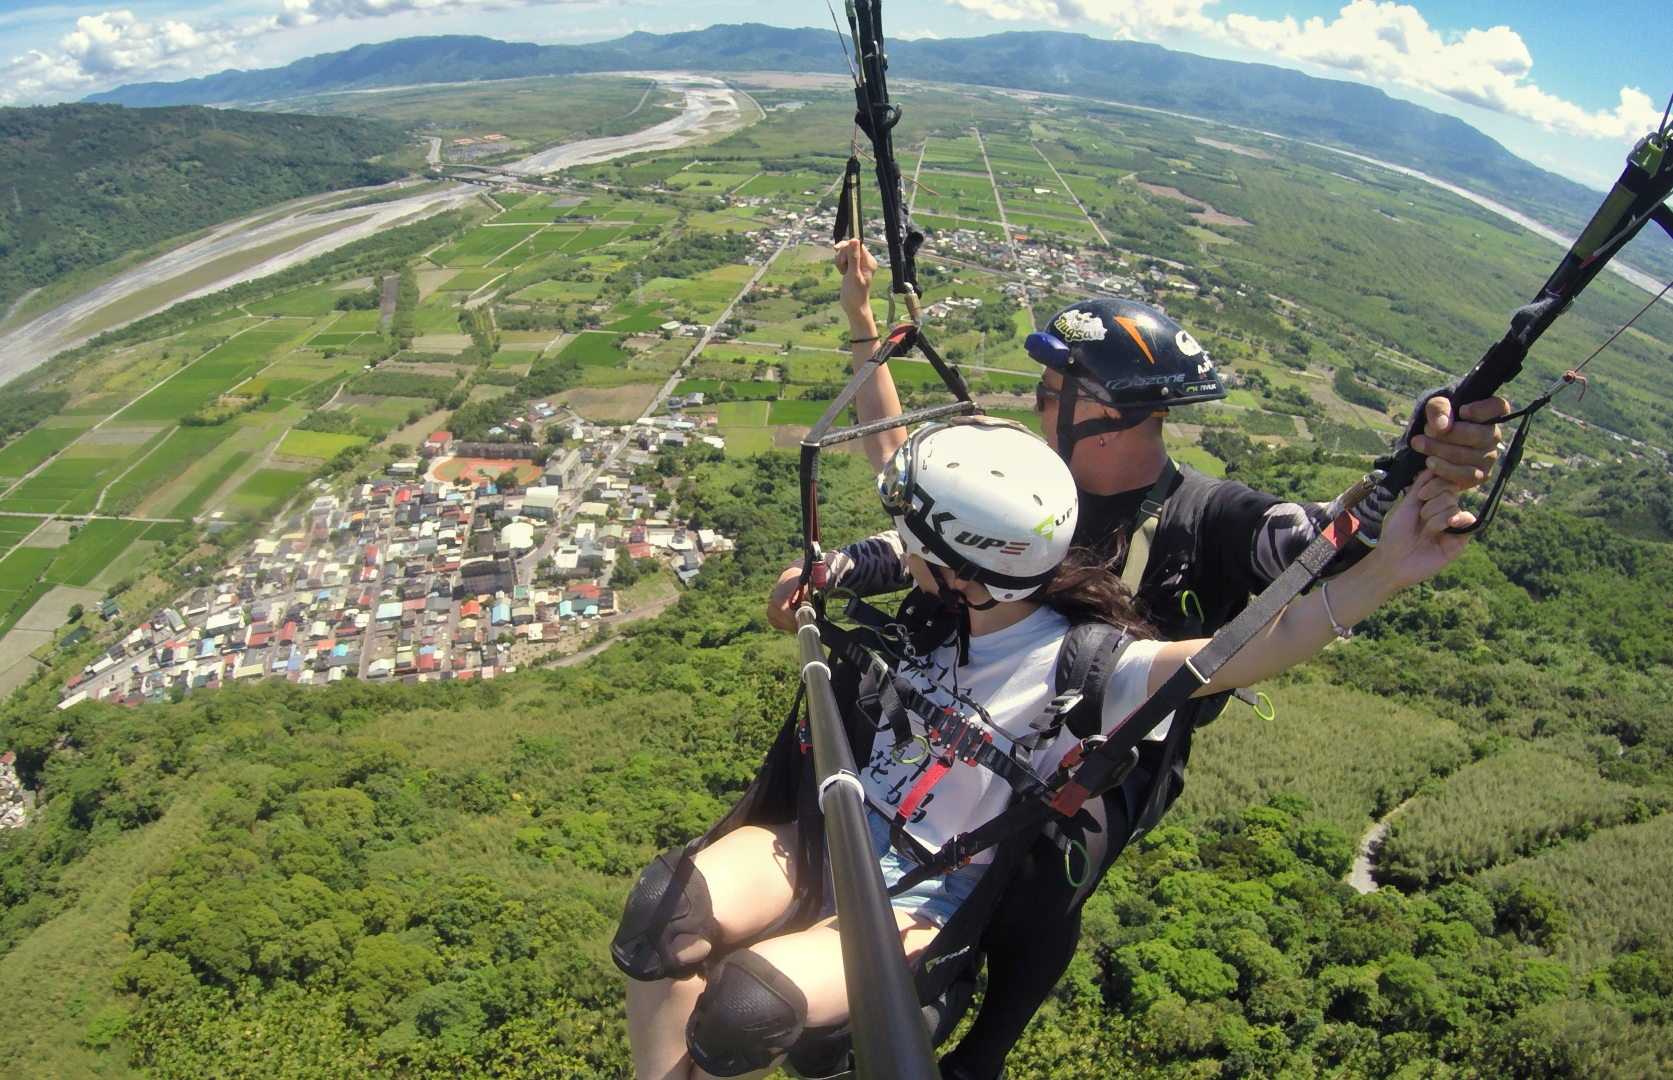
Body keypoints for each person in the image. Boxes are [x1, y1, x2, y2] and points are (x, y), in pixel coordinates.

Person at [761, 239, 1512, 1079]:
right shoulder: (1034, 479)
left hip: (1108, 749)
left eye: (1054, 396)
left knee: (1053, 852)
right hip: (977, 707)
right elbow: (904, 461)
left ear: (1112, 417)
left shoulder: (1209, 520)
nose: (1040, 410)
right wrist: (861, 315)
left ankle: (979, 1044)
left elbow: (1323, 540)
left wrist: (1415, 468)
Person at [617, 412, 1476, 1080]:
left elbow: (1246, 649)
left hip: (927, 894)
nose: (899, 551)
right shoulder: (941, 598)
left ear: (967, 566)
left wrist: (1384, 571)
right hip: (826, 829)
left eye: (918, 544)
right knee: (664, 910)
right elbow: (894, 536)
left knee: (743, 1007)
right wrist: (818, 577)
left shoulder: (1090, 665)